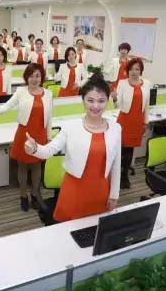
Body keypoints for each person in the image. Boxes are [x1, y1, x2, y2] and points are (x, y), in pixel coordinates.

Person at [24, 74, 121, 222]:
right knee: (70, 228)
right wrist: (35, 148)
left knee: (95, 227)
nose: (95, 106)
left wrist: (114, 194)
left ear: (107, 101)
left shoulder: (115, 128)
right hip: (75, 188)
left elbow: (116, 164)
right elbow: (48, 151)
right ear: (83, 100)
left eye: (101, 101)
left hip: (101, 189)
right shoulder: (71, 127)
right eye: (90, 100)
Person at [0, 63, 52, 211]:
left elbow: (50, 116)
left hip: (40, 134)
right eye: (31, 76)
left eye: (37, 76)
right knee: (23, 166)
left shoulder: (48, 94)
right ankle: (23, 195)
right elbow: (6, 106)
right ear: (26, 77)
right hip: (24, 134)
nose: (34, 79)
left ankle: (35, 194)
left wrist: (49, 136)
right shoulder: (21, 92)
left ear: (42, 77)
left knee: (37, 166)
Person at [116, 58, 151, 189]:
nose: (134, 71)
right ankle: (115, 175)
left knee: (130, 150)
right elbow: (118, 104)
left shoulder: (146, 84)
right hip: (125, 120)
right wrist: (114, 98)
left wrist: (145, 122)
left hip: (137, 120)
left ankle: (124, 175)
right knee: (120, 149)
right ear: (127, 70)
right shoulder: (122, 83)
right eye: (131, 69)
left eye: (137, 69)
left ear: (141, 71)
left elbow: (147, 105)